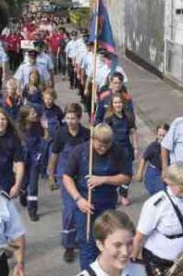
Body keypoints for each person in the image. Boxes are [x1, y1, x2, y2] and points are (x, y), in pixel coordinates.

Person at [63, 123, 132, 269]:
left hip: (107, 204)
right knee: (87, 245)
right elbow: (67, 177)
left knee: (107, 243)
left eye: (106, 145)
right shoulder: (80, 151)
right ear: (93, 139)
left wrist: (104, 179)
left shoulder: (118, 151)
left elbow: (126, 177)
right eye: (100, 145)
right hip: (85, 204)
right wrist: (78, 199)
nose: (103, 148)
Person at [131, 162, 183, 275]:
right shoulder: (156, 204)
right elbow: (138, 238)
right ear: (170, 182)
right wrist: (132, 265)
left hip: (182, 259)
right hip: (158, 261)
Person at [47, 103, 90, 263]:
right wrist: (51, 175)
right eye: (68, 118)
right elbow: (54, 155)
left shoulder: (86, 134)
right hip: (65, 177)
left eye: (73, 118)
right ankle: (69, 245)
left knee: (82, 210)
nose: (70, 121)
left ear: (79, 118)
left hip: (82, 177)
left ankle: (80, 238)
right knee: (70, 210)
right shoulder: (60, 133)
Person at [77, 210, 147, 276]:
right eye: (117, 245)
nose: (125, 252)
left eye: (129, 243)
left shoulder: (141, 269)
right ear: (100, 245)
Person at [103, 93, 139, 206]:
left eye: (119, 102)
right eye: (115, 103)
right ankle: (112, 196)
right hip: (113, 150)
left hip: (126, 149)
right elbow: (105, 134)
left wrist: (136, 148)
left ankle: (124, 195)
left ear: (123, 104)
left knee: (127, 173)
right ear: (112, 105)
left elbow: (133, 132)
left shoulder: (129, 116)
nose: (118, 105)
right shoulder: (108, 118)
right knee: (113, 173)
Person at [18, 105, 47, 221]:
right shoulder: (19, 128)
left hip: (35, 156)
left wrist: (45, 129)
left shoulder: (38, 124)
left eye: (35, 112)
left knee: (33, 184)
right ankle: (22, 192)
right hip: (23, 157)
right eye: (32, 113)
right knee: (24, 182)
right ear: (26, 117)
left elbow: (44, 139)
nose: (35, 115)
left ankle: (32, 210)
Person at [134, 123, 170, 195]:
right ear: (156, 135)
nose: (162, 138)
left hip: (166, 171)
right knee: (162, 192)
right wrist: (140, 173)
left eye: (164, 136)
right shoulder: (153, 146)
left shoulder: (170, 147)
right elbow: (144, 158)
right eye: (160, 135)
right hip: (154, 173)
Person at [40, 88, 64, 178]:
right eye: (46, 99)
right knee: (43, 154)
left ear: (54, 99)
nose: (48, 101)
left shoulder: (57, 110)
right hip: (43, 135)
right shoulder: (41, 109)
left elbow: (62, 122)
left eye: (50, 99)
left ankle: (51, 173)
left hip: (54, 136)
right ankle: (42, 171)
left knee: (52, 154)